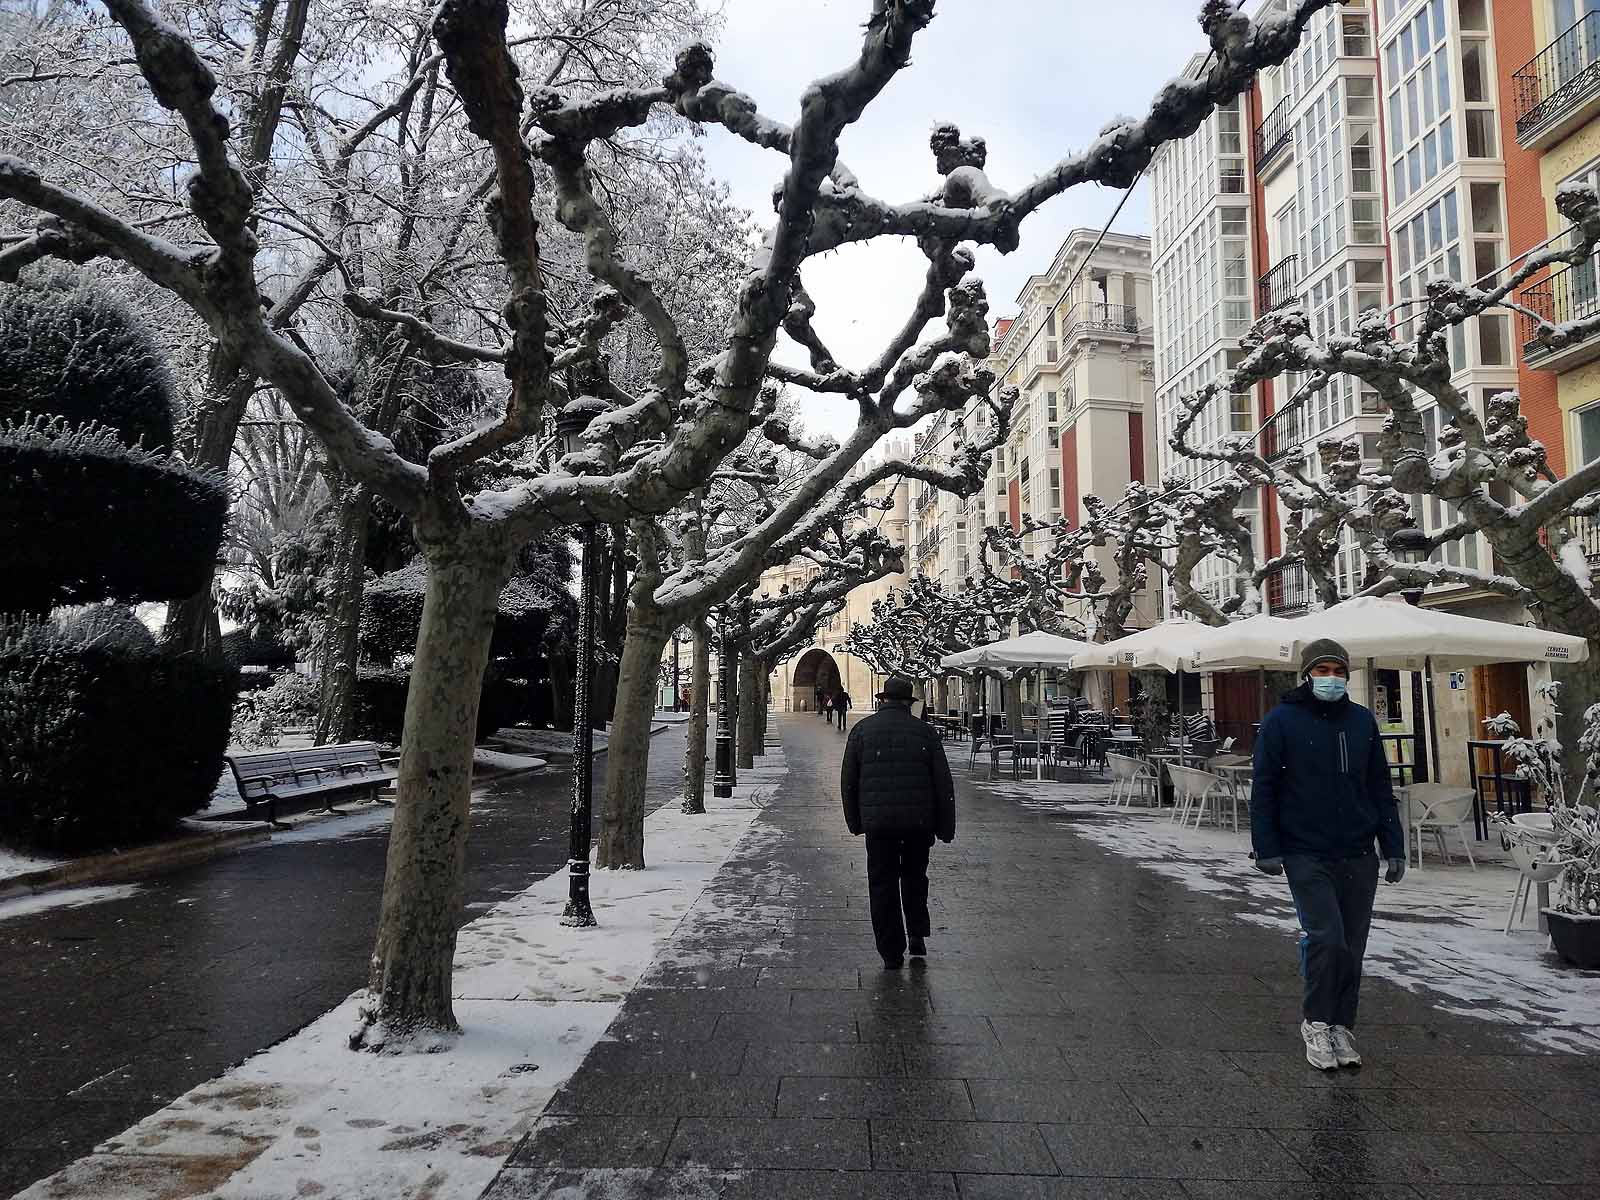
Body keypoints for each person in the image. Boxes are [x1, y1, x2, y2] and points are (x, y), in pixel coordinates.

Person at [1251, 638, 1406, 1072]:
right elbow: (1264, 787)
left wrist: (1393, 846)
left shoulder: (1361, 722)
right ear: (1307, 674)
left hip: (1358, 851)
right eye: (1323, 671)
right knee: (1327, 939)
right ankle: (1317, 1022)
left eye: (1339, 671)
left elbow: (1379, 786)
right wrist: (1266, 847)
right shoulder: (1281, 721)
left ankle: (1341, 1025)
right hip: (1305, 850)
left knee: (1352, 946)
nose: (1332, 679)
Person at [841, 676, 956, 969]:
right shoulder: (925, 733)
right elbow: (943, 783)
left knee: (882, 884)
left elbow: (849, 782)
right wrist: (945, 826)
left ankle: (891, 951)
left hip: (879, 825)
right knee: (915, 879)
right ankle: (917, 933)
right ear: (909, 703)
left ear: (882, 700)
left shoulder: (862, 731)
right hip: (918, 823)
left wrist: (855, 821)